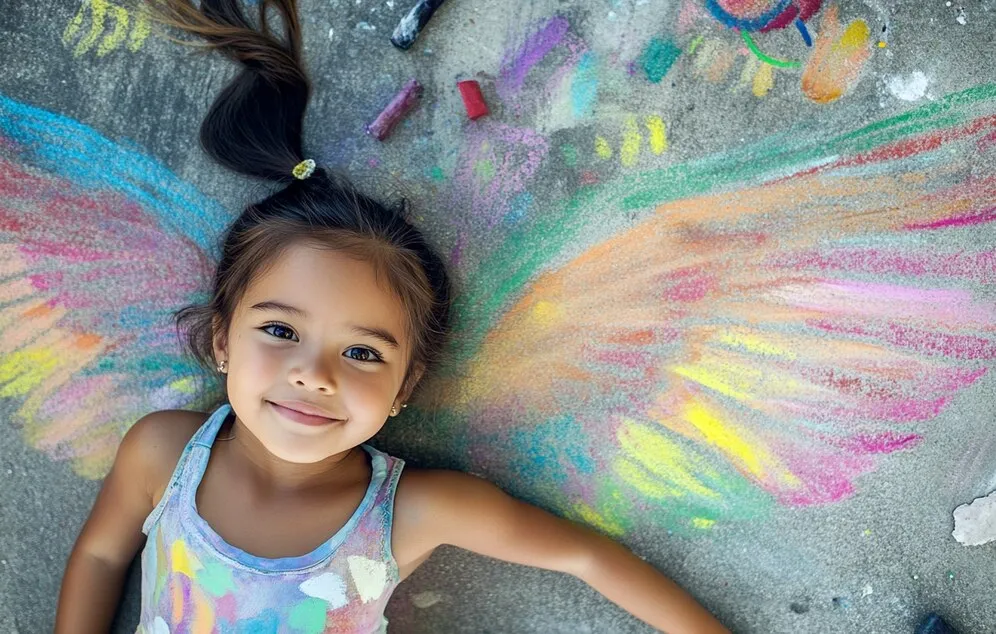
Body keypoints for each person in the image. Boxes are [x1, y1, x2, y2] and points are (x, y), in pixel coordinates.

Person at [55, 1, 731, 632]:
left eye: (363, 353)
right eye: (281, 331)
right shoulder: (164, 454)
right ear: (220, 340)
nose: (314, 374)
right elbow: (101, 558)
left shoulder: (414, 512)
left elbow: (586, 558)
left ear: (406, 386)